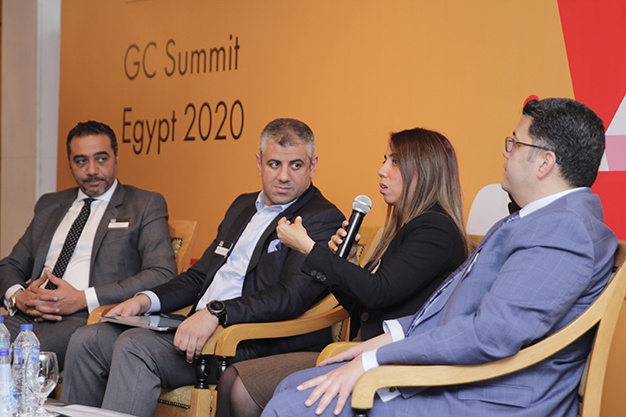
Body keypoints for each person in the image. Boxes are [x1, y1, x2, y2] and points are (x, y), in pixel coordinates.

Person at [262, 98, 617, 417]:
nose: (505, 151)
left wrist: (374, 360)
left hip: (488, 397)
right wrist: (391, 338)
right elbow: (458, 310)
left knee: (290, 407)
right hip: (466, 380)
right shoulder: (542, 221)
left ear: (544, 162)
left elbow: (489, 334)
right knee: (292, 387)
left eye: (515, 142)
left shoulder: (564, 230)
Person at [60, 118, 345, 417]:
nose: (284, 176)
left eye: (296, 165)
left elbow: (289, 296)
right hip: (198, 327)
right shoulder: (242, 205)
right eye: (275, 164)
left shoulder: (321, 218)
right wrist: (145, 300)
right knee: (87, 340)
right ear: (259, 163)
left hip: (249, 340)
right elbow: (199, 277)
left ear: (312, 165)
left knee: (135, 347)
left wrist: (217, 313)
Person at [216, 127, 471, 417]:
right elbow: (364, 308)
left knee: (251, 389)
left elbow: (377, 292)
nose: (381, 170)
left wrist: (309, 248)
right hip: (360, 350)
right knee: (232, 378)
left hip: (392, 363)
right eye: (384, 160)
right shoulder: (406, 229)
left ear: (422, 171)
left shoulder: (435, 230)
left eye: (395, 162)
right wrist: (347, 263)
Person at [0, 120, 177, 369]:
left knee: (22, 357)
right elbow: (9, 265)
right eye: (81, 161)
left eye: (101, 159)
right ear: (70, 163)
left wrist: (83, 298)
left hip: (87, 318)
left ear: (116, 157)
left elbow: (162, 273)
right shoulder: (50, 205)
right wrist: (19, 298)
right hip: (29, 316)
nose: (92, 170)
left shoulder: (143, 204)